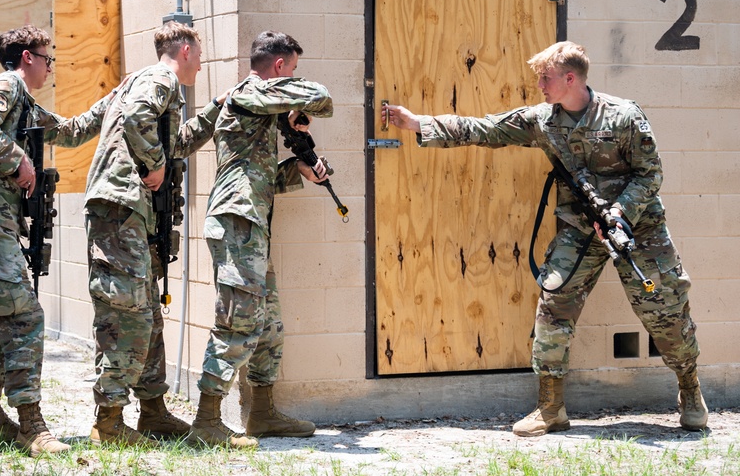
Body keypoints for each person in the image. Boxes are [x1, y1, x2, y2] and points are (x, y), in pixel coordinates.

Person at [382, 40, 707, 437]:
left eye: (545, 77)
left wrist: (620, 213)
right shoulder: (544, 120)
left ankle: (690, 389)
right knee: (553, 308)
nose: (539, 84)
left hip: (639, 228)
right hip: (580, 229)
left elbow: (650, 174)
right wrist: (419, 123)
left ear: (570, 78)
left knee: (666, 309)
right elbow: (487, 128)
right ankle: (551, 408)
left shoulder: (623, 116)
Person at [0, 25, 113, 457]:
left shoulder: (27, 105)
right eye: (48, 59)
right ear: (28, 58)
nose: (50, 68)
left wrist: (110, 103)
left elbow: (72, 130)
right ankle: (31, 425)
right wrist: (17, 159)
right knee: (23, 315)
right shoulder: (7, 84)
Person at [84, 20, 225, 446]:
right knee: (127, 312)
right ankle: (107, 422)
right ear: (184, 51)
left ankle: (152, 410)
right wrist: (154, 163)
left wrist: (218, 107)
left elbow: (175, 142)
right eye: (199, 55)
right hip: (122, 207)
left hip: (134, 213)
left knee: (147, 311)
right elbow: (138, 118)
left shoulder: (164, 87)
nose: (200, 64)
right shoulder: (159, 77)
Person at [190, 30, 333, 448]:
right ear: (280, 67)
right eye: (292, 69)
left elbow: (254, 170)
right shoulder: (249, 93)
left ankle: (263, 413)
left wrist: (301, 168)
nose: (295, 77)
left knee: (268, 322)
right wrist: (296, 102)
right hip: (236, 221)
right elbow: (320, 96)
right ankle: (207, 421)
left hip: (252, 222)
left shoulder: (257, 108)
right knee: (238, 320)